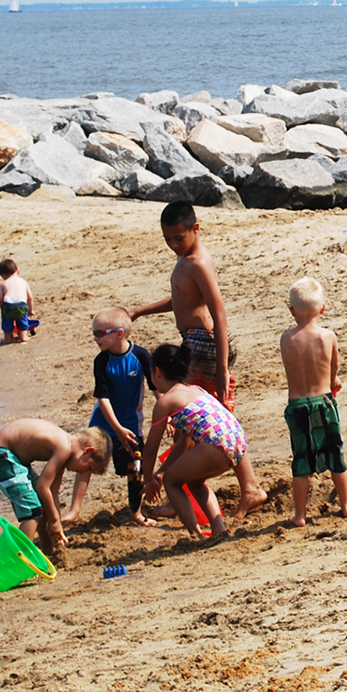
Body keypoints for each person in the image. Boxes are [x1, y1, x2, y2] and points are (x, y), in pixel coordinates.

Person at [128, 201, 267, 519]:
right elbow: (180, 298)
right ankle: (220, 488)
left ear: (196, 229)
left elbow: (219, 313)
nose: (173, 244)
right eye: (168, 239)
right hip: (196, 341)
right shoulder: (186, 260)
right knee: (196, 420)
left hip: (205, 344)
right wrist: (139, 311)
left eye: (179, 238)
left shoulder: (197, 262)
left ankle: (238, 488)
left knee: (198, 418)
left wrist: (220, 367)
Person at [140, 344, 255, 540]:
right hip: (238, 441)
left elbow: (150, 449)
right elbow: (184, 443)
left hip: (216, 444)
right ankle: (219, 529)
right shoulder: (196, 389)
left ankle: (195, 534)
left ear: (157, 372)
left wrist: (149, 477)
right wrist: (161, 471)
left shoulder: (165, 402)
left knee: (171, 481)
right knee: (194, 481)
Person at [64, 308, 156, 529]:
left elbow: (156, 387)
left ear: (120, 333)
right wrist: (116, 428)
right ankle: (74, 510)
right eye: (94, 333)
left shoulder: (141, 356)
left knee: (135, 468)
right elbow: (102, 398)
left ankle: (136, 512)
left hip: (131, 423)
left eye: (99, 333)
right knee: (86, 461)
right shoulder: (101, 361)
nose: (95, 338)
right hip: (103, 422)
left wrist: (168, 418)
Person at [279, 277, 347, 527]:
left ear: (291, 311)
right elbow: (333, 367)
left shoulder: (286, 339)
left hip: (297, 405)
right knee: (335, 453)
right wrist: (333, 380)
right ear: (323, 308)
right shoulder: (327, 337)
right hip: (323, 401)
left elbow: (291, 367)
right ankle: (346, 505)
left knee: (301, 459)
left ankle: (300, 515)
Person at [0, 418, 110, 553]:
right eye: (89, 467)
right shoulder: (64, 448)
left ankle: (49, 551)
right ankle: (19, 560)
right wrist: (55, 521)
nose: (84, 472)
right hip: (1, 455)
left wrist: (57, 525)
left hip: (13, 458)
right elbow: (43, 487)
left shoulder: (66, 448)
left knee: (43, 505)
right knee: (33, 511)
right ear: (87, 450)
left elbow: (52, 491)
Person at [0, 259, 39, 344]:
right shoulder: (23, 282)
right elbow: (30, 298)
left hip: (8, 305)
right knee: (23, 320)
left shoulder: (3, 284)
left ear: (3, 275)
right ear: (18, 270)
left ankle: (8, 338)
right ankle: (23, 336)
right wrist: (31, 310)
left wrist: (2, 308)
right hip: (21, 305)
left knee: (7, 323)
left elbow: (0, 299)